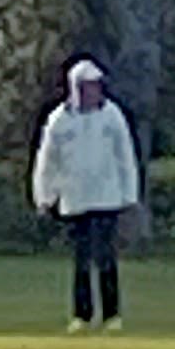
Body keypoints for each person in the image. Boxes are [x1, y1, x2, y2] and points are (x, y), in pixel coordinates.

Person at [31, 58, 140, 332]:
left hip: (107, 197)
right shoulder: (59, 120)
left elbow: (125, 156)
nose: (94, 92)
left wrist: (129, 194)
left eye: (96, 86)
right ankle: (82, 315)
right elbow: (48, 161)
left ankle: (112, 314)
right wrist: (44, 196)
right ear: (75, 88)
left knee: (106, 257)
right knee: (81, 260)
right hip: (75, 198)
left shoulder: (112, 115)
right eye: (88, 86)